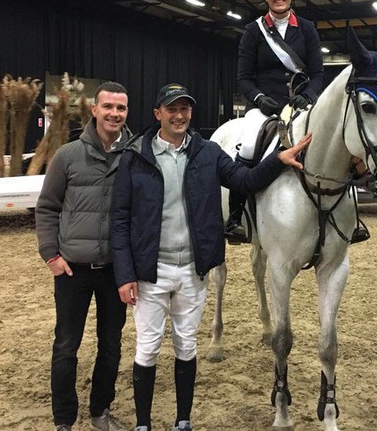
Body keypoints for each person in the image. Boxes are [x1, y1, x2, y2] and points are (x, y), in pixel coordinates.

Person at [110, 83, 311, 431]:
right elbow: (120, 219)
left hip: (191, 269)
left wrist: (277, 161)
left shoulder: (208, 152)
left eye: (185, 109)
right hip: (149, 272)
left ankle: (183, 420)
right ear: (158, 114)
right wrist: (125, 273)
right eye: (172, 109)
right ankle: (143, 423)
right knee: (147, 349)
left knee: (187, 347)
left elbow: (244, 180)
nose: (179, 115)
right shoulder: (134, 156)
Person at [36, 81, 132, 431]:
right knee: (66, 346)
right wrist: (51, 255)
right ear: (94, 110)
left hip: (114, 271)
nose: (114, 114)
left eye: (120, 108)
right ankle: (64, 419)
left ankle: (100, 411)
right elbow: (47, 208)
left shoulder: (134, 155)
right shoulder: (67, 155)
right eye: (108, 107)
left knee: (111, 345)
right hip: (72, 270)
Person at [225, 0, 325, 241]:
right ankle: (235, 217)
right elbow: (243, 78)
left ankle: (344, 215)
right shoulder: (253, 31)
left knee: (332, 142)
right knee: (246, 148)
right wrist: (258, 98)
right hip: (263, 107)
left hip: (300, 104)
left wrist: (307, 96)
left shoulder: (307, 29)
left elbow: (318, 74)